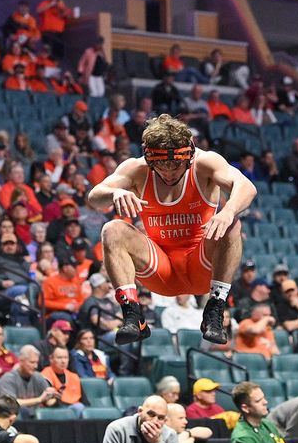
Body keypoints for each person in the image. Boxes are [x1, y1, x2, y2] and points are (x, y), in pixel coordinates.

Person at [87, 113, 257, 346]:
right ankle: (133, 315)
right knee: (112, 229)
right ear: (149, 159)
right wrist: (114, 192)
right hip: (161, 269)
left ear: (188, 157)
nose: (168, 174)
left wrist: (228, 211)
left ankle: (215, 308)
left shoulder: (205, 162)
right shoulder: (136, 168)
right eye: (160, 167)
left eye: (175, 167)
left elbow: (246, 186)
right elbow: (94, 197)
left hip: (202, 267)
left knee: (233, 224)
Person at [0, 345, 58, 416]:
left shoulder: (38, 377)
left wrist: (54, 398)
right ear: (21, 361)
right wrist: (39, 399)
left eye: (36, 362)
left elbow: (47, 401)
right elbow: (10, 403)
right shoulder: (8, 378)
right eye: (32, 362)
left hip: (35, 420)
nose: (35, 366)